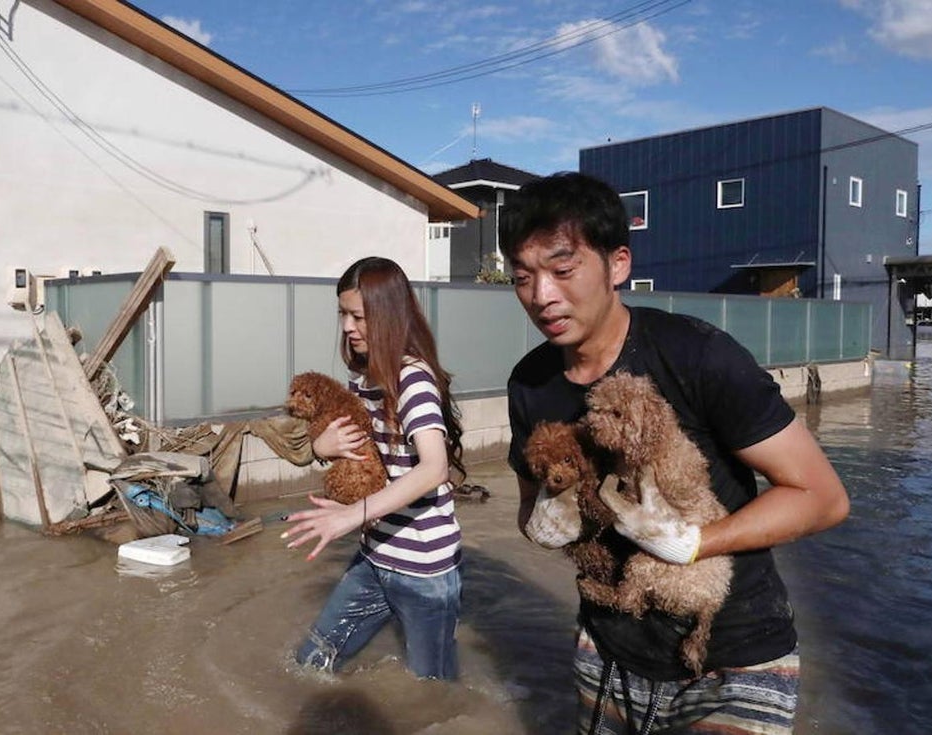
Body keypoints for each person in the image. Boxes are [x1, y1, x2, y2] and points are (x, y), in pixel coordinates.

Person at [499, 172, 850, 733]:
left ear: (618, 264)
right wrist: (543, 519)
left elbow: (822, 498)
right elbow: (528, 504)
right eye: (522, 277)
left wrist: (692, 543)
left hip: (734, 657)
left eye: (562, 270)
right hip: (607, 650)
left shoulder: (699, 356)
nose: (541, 296)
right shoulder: (530, 385)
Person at [283, 256, 466, 680]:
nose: (347, 327)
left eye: (358, 316)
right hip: (375, 555)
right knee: (312, 660)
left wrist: (351, 515)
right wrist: (319, 447)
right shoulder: (361, 380)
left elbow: (435, 468)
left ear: (387, 316)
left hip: (425, 570)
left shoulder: (412, 380)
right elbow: (360, 452)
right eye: (343, 314)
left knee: (432, 688)